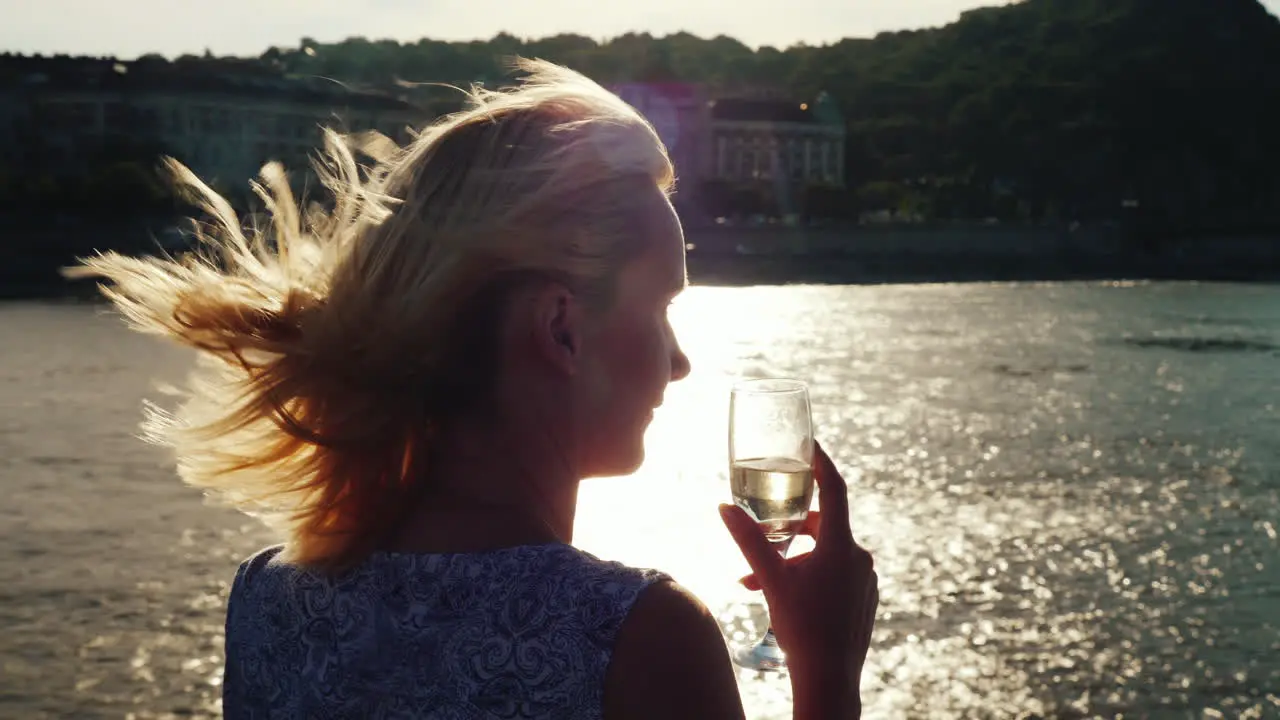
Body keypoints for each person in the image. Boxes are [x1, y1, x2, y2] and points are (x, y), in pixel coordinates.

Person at [68, 59, 878, 719]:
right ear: (560, 328)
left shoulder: (268, 602)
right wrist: (826, 669)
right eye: (662, 307)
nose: (678, 363)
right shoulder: (638, 637)